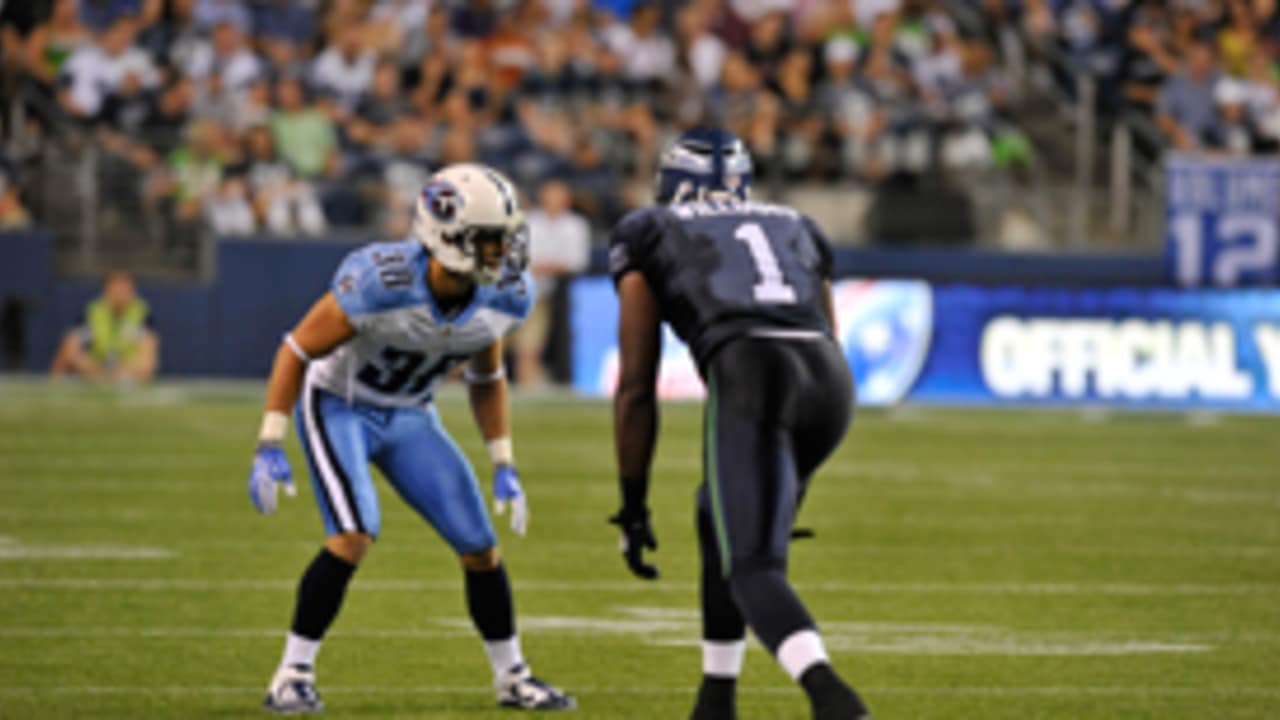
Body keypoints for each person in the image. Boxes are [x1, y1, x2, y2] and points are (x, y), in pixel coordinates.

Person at [247, 163, 574, 714]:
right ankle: (290, 674)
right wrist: (270, 440)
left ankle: (512, 678)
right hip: (340, 405)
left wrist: (503, 461)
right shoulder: (382, 281)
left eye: (504, 239)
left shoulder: (504, 296)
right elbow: (298, 348)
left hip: (411, 417)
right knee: (353, 535)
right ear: (446, 235)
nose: (502, 252)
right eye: (490, 240)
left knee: (480, 547)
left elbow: (486, 376)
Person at [607, 128, 869, 720]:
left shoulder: (648, 229)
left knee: (753, 567)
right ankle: (716, 699)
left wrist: (633, 502)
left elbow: (635, 386)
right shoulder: (799, 223)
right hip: (829, 381)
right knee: (713, 513)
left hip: (752, 370)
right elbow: (826, 331)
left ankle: (833, 697)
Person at [511, 179, 592, 386]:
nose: (553, 201)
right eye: (550, 195)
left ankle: (529, 384)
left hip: (557, 294)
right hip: (523, 292)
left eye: (558, 196)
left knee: (530, 345)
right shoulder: (529, 222)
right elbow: (521, 260)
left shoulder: (576, 225)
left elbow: (577, 261)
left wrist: (544, 267)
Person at [49, 270, 158, 383]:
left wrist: (122, 371)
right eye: (115, 289)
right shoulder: (93, 312)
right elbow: (70, 347)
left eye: (125, 290)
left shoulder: (141, 313)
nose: (120, 294)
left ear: (132, 291)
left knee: (145, 366)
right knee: (69, 352)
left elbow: (149, 358)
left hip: (127, 375)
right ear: (106, 291)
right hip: (96, 372)